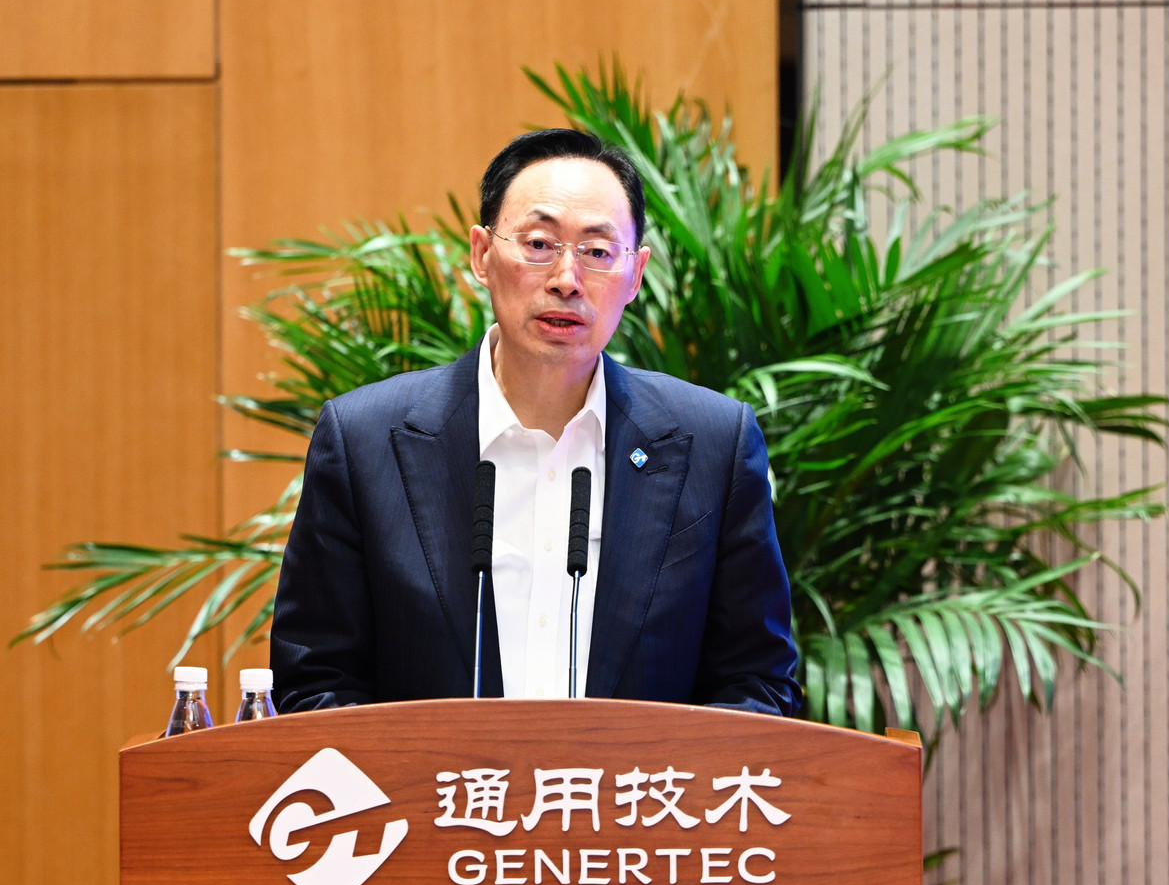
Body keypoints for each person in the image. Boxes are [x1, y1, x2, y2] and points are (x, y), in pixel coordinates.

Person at [269, 129, 801, 717]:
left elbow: (756, 681)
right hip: (431, 782)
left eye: (598, 252)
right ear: (481, 254)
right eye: (540, 244)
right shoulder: (365, 439)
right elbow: (317, 679)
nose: (566, 279)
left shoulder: (714, 444)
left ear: (635, 274)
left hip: (639, 782)